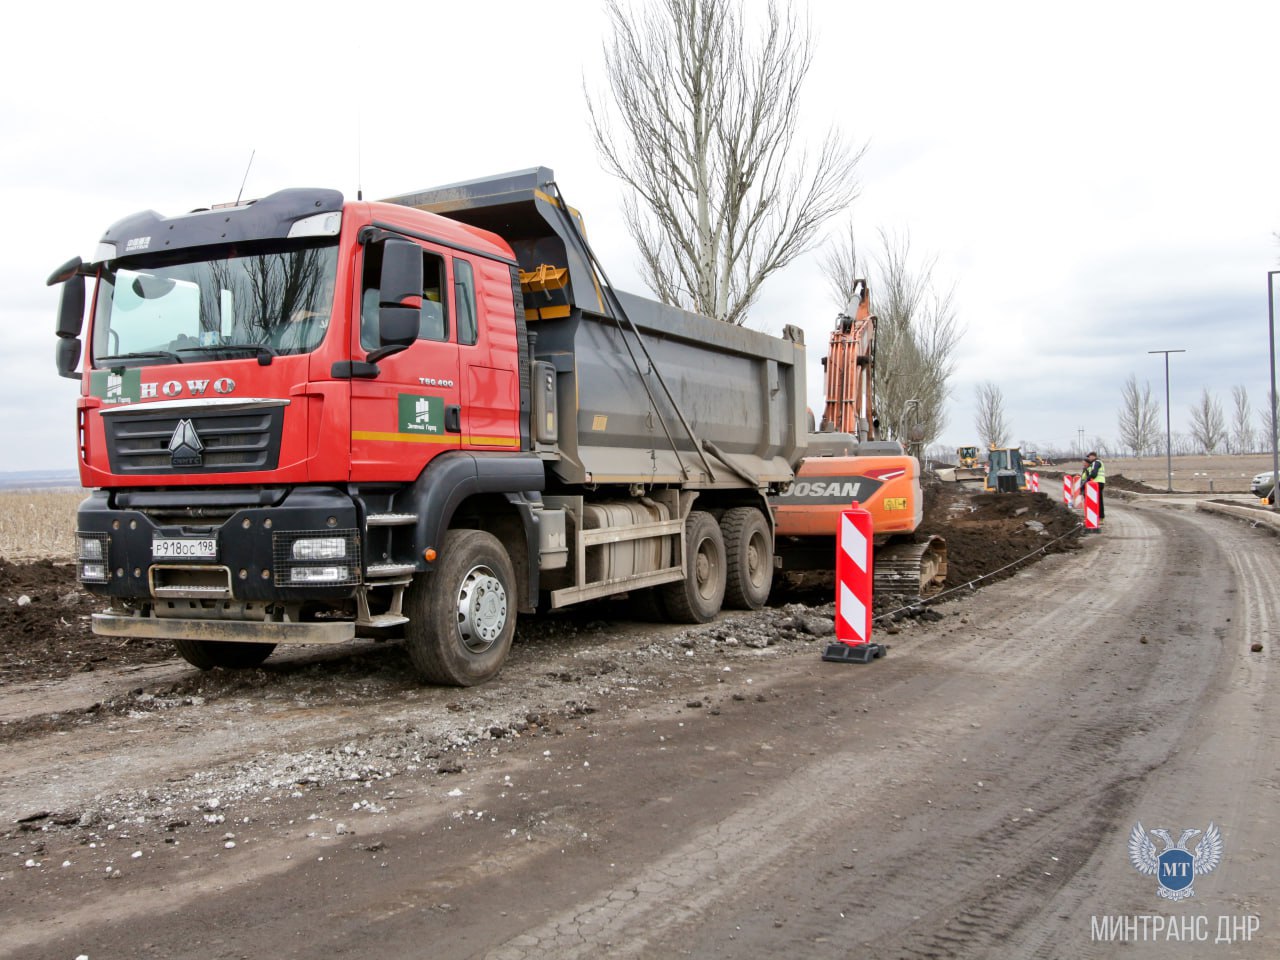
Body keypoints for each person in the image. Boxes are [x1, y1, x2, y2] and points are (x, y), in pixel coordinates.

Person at [1080, 451, 1106, 523]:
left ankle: (1098, 518)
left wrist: (1086, 481)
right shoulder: (1098, 462)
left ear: (1093, 456)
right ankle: (1100, 518)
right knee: (1099, 501)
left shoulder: (1096, 462)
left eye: (1089, 456)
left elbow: (1094, 474)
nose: (1089, 458)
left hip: (1096, 484)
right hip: (1100, 483)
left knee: (1095, 502)